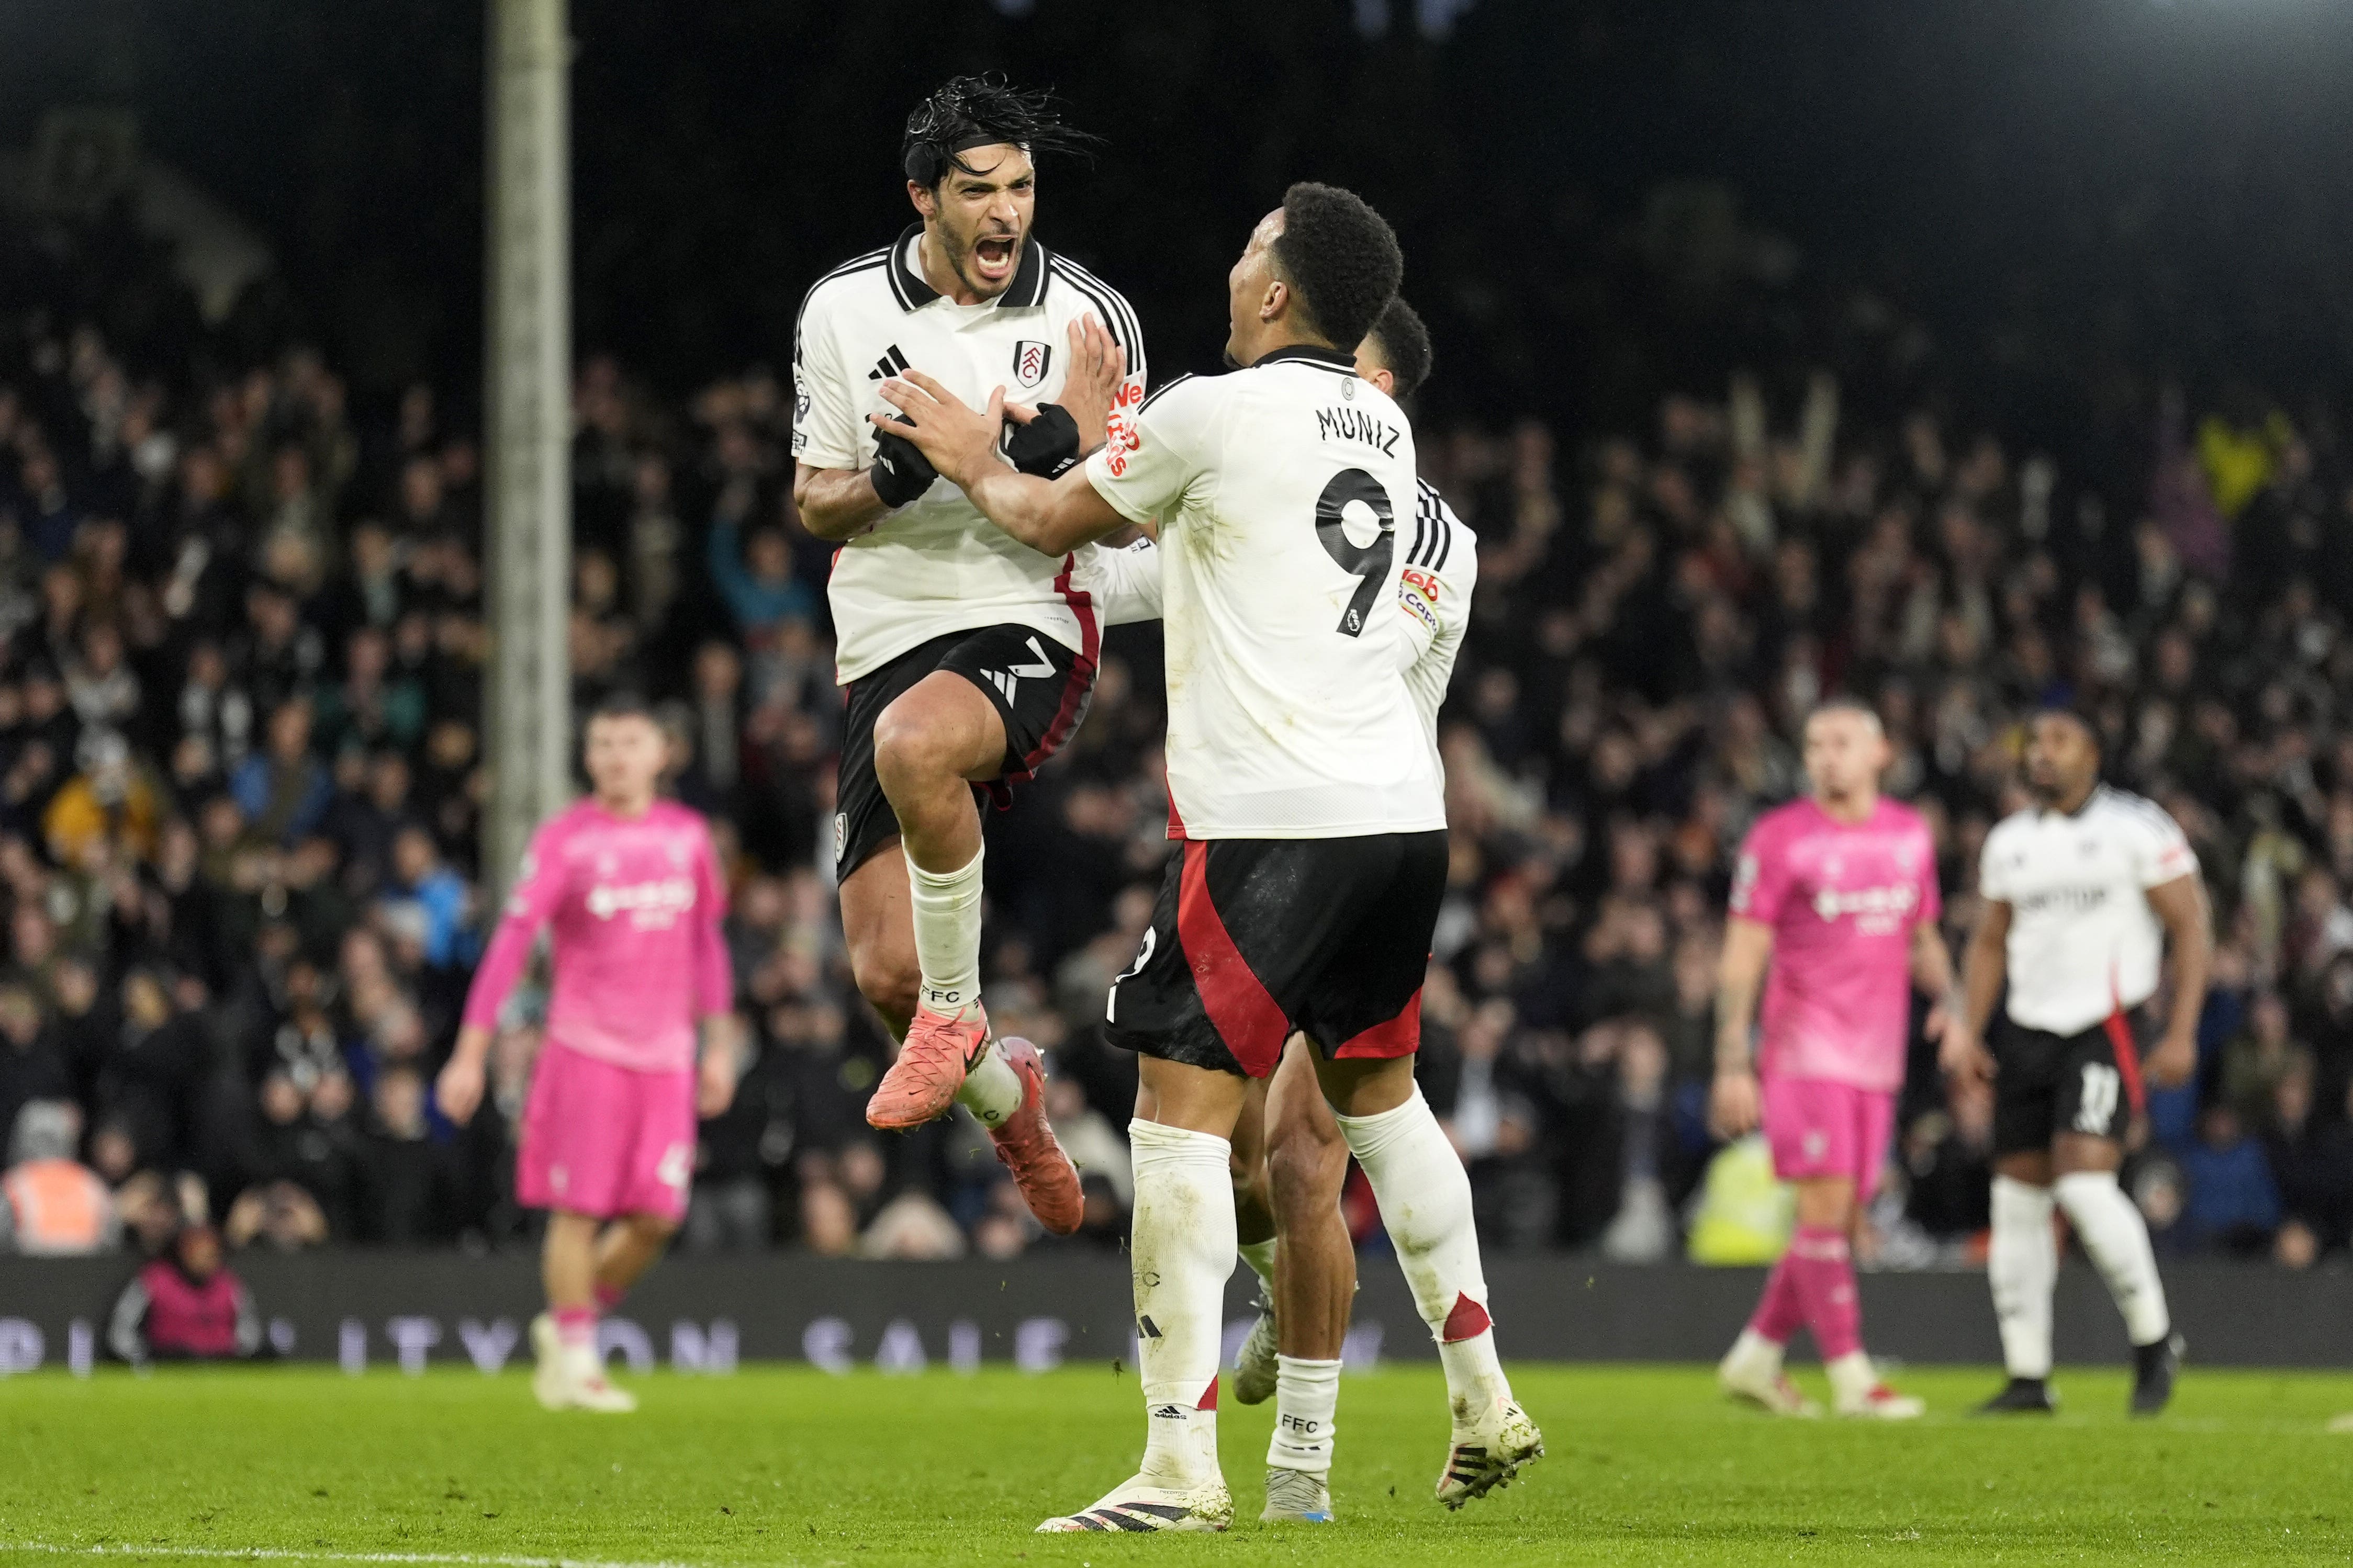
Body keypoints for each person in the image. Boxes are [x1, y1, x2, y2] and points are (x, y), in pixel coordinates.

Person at [879, 181, 1539, 1533]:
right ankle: (1481, 1390)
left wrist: (974, 447)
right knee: (1380, 1105)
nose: (1231, 265)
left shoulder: (1220, 410)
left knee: (1175, 1125)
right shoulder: (1394, 450)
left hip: (1271, 821)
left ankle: (1180, 1463)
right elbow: (1200, 554)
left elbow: (1057, 523)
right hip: (1402, 818)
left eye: (1248, 249)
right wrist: (1114, 439)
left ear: (1280, 290)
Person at [789, 75, 1152, 1232]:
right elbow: (812, 503)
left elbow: (1140, 503)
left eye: (1024, 188)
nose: (1007, 214)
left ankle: (958, 1014)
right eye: (979, 190)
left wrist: (1064, 452)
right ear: (923, 197)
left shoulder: (1090, 319)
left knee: (919, 744)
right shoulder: (843, 310)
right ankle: (1013, 1106)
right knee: (881, 977)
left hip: (1028, 607)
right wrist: (894, 476)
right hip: (884, 630)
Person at [435, 692, 739, 1413]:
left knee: (659, 1217)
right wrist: (470, 1053)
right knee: (577, 1210)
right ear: (588, 756)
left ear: (661, 753)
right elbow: (511, 945)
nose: (615, 756)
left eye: (630, 742)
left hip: (667, 1057)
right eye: (603, 744)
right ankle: (576, 1359)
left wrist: (719, 1047)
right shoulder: (565, 840)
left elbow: (707, 947)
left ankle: (568, 1322)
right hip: (585, 1051)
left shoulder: (688, 838)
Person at [1946, 706, 2206, 1416]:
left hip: (2104, 1027)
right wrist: (1966, 1031)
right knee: (2016, 1204)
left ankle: (2155, 1342)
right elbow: (1992, 941)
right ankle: (2029, 1376)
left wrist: (2182, 1031)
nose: (2043, 753)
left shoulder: (2134, 828)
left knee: (2087, 1188)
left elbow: (2190, 923)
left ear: (2093, 751)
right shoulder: (2009, 843)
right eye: (2035, 742)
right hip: (2027, 1033)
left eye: (2060, 740)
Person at [1707, 700, 1953, 1419]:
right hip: (1803, 1051)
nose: (1826, 756)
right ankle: (1854, 1379)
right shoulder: (1780, 838)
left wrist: (1960, 1009)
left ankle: (1755, 1358)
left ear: (1882, 752)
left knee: (1838, 1219)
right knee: (1822, 1212)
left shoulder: (1910, 836)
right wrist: (1731, 1060)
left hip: (1878, 1060)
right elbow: (1742, 955)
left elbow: (1924, 935)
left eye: (1842, 742)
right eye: (1814, 744)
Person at [106, 1223, 263, 1363]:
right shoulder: (153, 1281)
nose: (204, 1260)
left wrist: (235, 1359)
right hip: (168, 1364)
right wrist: (145, 1359)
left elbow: (250, 1334)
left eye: (210, 1254)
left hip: (220, 1364)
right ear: (183, 1251)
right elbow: (121, 1331)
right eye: (198, 1252)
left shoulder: (230, 1286)